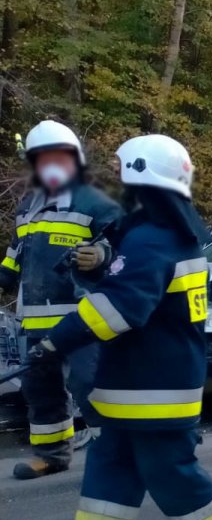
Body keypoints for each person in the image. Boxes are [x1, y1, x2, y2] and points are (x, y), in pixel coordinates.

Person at [29, 134, 212, 520]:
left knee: (168, 469)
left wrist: (54, 343)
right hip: (141, 383)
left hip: (154, 387)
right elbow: (134, 289)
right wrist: (98, 265)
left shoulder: (153, 240)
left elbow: (119, 308)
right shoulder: (165, 235)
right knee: (112, 465)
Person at [0, 121, 122, 480]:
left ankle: (116, 454)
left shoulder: (95, 203)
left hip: (83, 320)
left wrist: (100, 255)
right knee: (40, 389)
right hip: (35, 324)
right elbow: (13, 261)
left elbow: (125, 250)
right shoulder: (28, 207)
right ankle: (52, 455)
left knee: (90, 384)